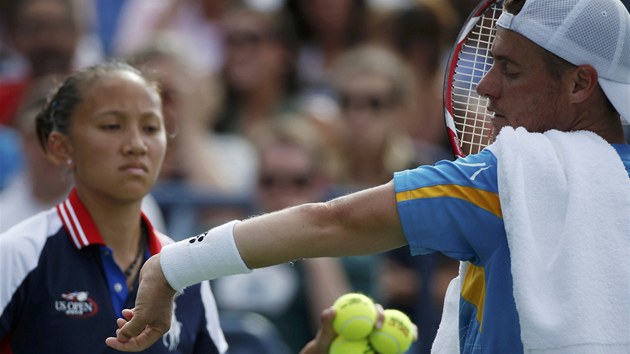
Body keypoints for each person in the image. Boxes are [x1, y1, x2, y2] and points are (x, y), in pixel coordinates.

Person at [105, 0, 630, 352]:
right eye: (491, 64)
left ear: (581, 84)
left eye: (511, 71)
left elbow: (331, 221)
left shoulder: (510, 178)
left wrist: (171, 266)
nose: (487, 86)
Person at [0, 61, 227, 353]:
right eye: (112, 126)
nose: (136, 144)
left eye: (150, 127)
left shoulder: (188, 272)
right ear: (61, 147)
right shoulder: (17, 255)